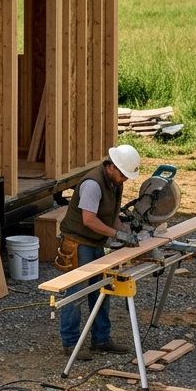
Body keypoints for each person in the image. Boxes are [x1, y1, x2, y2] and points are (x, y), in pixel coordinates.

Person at [57, 145, 141, 359]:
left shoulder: (115, 182)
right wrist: (117, 235)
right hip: (78, 242)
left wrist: (123, 231)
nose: (124, 179)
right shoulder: (93, 184)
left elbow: (110, 213)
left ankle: (101, 340)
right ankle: (70, 344)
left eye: (126, 176)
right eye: (122, 174)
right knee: (76, 293)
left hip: (95, 242)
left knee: (102, 291)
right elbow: (89, 220)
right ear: (111, 167)